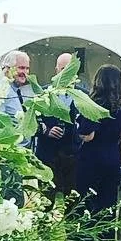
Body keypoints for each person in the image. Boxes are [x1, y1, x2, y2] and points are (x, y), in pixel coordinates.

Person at [75, 64, 121, 213]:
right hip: (112, 158)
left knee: (87, 204)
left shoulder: (92, 106)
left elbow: (88, 136)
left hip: (91, 160)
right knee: (108, 205)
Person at [34, 51, 81, 194]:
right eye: (63, 69)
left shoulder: (83, 95)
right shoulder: (43, 93)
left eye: (69, 69)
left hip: (72, 156)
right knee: (46, 198)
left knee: (72, 199)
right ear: (56, 71)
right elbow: (32, 122)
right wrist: (47, 130)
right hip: (47, 155)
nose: (66, 73)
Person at [0, 50, 32, 119]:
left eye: (27, 68)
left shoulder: (17, 91)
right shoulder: (1, 91)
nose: (25, 72)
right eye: (21, 68)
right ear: (8, 69)